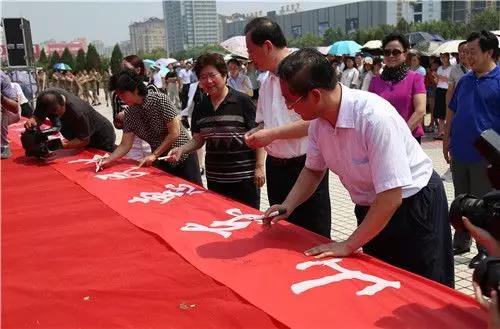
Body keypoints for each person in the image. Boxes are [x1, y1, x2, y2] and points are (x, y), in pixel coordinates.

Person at [265, 48, 454, 287]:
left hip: (413, 206)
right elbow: (313, 170)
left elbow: (391, 196)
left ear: (315, 95)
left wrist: (349, 244)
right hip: (372, 208)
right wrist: (287, 205)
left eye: (290, 100)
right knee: (382, 283)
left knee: (423, 289)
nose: (289, 108)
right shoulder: (318, 124)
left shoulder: (374, 117)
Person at [244, 17, 332, 238]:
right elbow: (265, 121)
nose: (249, 58)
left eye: (251, 51)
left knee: (312, 234)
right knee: (283, 234)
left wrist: (271, 134)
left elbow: (315, 122)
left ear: (267, 46)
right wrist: (258, 133)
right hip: (277, 167)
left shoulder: (305, 71)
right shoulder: (266, 81)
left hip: (305, 166)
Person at [168, 53, 265, 208]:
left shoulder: (242, 102)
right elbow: (198, 139)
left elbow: (259, 136)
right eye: (203, 77)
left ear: (224, 75)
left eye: (212, 75)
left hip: (244, 178)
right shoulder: (201, 107)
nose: (208, 81)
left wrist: (260, 167)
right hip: (215, 179)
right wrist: (182, 149)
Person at [445, 30, 500, 268]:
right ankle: (462, 240)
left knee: (482, 205)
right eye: (466, 53)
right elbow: (453, 110)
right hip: (460, 152)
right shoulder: (465, 79)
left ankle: (485, 249)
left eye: (473, 52)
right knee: (461, 199)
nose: (468, 57)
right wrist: (446, 138)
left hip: (485, 158)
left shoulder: (498, 80)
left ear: (489, 52)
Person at [103, 70, 201, 184]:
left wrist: (154, 154)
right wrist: (109, 160)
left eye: (122, 94)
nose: (120, 98)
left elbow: (174, 132)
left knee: (194, 194)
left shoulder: (160, 100)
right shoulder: (129, 113)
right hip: (161, 160)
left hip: (182, 155)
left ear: (134, 90)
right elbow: (125, 144)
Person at [369, 33, 426, 144]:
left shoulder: (415, 78)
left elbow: (420, 111)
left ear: (405, 54)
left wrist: (401, 134)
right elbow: (370, 112)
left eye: (396, 52)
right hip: (382, 139)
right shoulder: (375, 81)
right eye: (387, 52)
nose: (391, 56)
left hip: (409, 138)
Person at [25, 88, 116, 152]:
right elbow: (39, 116)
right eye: (51, 115)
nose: (56, 117)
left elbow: (84, 140)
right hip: (79, 135)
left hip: (100, 137)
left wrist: (61, 145)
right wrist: (33, 121)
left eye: (58, 113)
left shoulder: (78, 112)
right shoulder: (45, 99)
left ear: (63, 103)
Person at [112, 55, 158, 160]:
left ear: (138, 70)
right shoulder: (117, 94)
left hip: (151, 141)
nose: (122, 73)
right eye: (121, 69)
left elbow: (158, 119)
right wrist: (121, 118)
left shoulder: (151, 89)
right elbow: (117, 124)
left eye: (126, 69)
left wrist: (131, 114)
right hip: (131, 143)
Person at [1, 70, 21, 159]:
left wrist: (1, 98)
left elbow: (15, 108)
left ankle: (3, 146)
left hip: (10, 113)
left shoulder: (2, 78)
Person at [434, 52, 452, 139]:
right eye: (441, 57)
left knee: (447, 111)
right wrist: (436, 77)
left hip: (447, 90)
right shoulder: (440, 68)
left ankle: (447, 131)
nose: (443, 59)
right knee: (440, 112)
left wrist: (439, 77)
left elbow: (449, 80)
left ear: (448, 57)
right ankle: (440, 132)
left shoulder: (452, 68)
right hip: (439, 89)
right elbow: (437, 81)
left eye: (444, 57)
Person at [424, 58, 439, 133]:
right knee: (431, 108)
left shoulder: (435, 72)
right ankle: (434, 123)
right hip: (429, 89)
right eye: (431, 63)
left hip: (432, 89)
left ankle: (432, 124)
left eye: (433, 63)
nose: (431, 65)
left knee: (432, 108)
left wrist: (429, 73)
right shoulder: (430, 71)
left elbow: (434, 82)